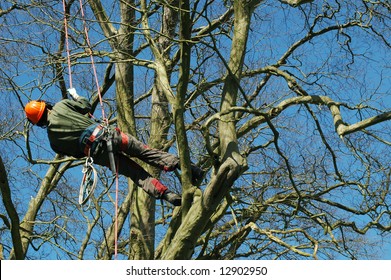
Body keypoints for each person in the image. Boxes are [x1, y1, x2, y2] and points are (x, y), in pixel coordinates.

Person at [24, 89, 204, 206]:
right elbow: (85, 105)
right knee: (146, 152)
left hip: (100, 155)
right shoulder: (62, 106)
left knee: (137, 175)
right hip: (110, 136)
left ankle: (167, 195)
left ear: (38, 123)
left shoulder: (53, 142)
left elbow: (77, 153)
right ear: (45, 105)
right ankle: (190, 168)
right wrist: (76, 96)